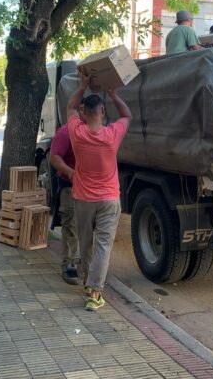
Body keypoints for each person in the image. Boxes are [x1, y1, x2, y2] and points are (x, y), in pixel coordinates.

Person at [66, 69, 132, 311]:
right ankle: (95, 293)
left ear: (85, 113)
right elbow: (127, 115)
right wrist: (114, 94)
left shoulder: (77, 132)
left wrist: (82, 86)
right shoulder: (112, 134)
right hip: (108, 199)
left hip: (83, 199)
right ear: (102, 113)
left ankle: (86, 279)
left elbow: (71, 108)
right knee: (104, 245)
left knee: (86, 243)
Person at [47, 104, 83, 285]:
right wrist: (71, 173)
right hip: (70, 186)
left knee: (89, 226)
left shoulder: (92, 132)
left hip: (90, 188)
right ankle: (69, 264)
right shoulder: (65, 132)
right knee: (72, 224)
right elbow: (54, 157)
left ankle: (84, 261)